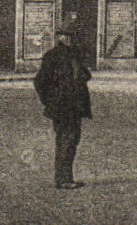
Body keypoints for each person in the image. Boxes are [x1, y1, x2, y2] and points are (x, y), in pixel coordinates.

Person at [33, 28, 93, 190]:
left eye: (71, 36)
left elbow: (85, 75)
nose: (69, 39)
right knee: (66, 140)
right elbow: (40, 81)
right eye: (66, 36)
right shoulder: (53, 56)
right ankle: (63, 179)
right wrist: (50, 101)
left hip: (74, 106)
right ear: (59, 37)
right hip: (63, 106)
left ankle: (65, 177)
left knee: (70, 140)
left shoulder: (74, 55)